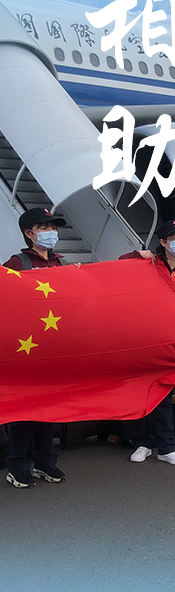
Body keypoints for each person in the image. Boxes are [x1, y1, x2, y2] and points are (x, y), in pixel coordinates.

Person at [120, 218, 175, 466]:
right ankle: (141, 443)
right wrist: (137, 255)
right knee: (141, 393)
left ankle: (166, 447)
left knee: (165, 394)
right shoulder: (148, 265)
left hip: (173, 343)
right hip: (145, 340)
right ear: (163, 242)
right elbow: (119, 266)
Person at [3, 207, 69, 488]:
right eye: (44, 228)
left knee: (49, 408)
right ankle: (18, 466)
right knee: (24, 409)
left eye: (53, 227)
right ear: (29, 234)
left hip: (53, 348)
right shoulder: (17, 263)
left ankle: (45, 462)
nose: (50, 232)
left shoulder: (61, 263)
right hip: (25, 348)